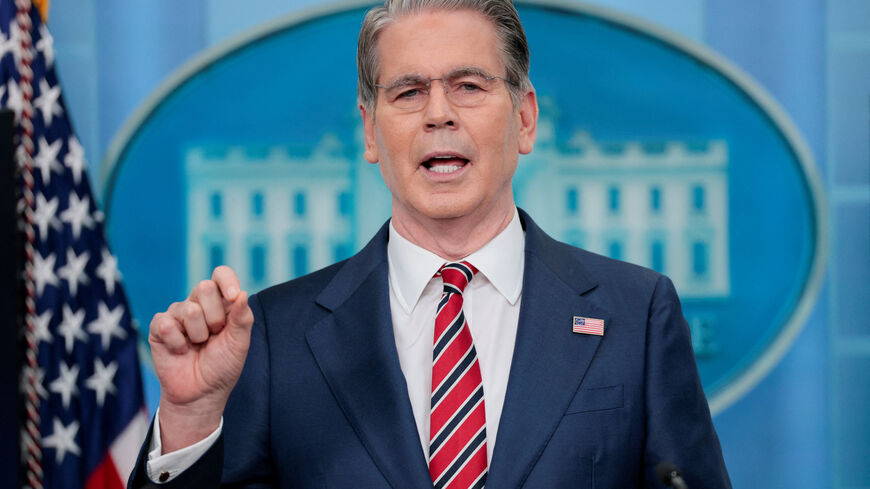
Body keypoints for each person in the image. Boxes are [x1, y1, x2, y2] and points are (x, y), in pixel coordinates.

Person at [128, 0, 732, 487]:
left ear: (524, 120)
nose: (438, 114)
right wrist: (190, 419)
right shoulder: (274, 335)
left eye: (469, 85)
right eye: (408, 92)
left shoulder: (636, 312)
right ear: (370, 130)